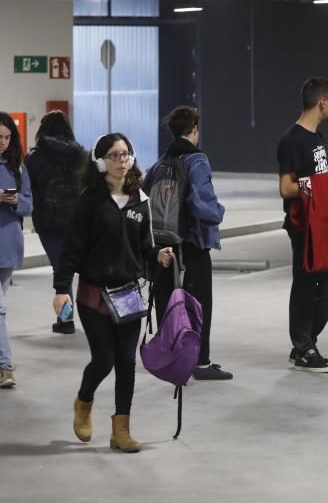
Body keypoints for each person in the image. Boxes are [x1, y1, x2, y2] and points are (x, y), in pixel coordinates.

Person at [53, 133, 173, 452]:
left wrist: (157, 256)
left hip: (128, 292)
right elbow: (72, 248)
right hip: (93, 294)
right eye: (115, 155)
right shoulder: (90, 200)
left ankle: (121, 430)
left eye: (126, 155)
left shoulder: (140, 200)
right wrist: (61, 289)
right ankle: (84, 400)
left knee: (126, 363)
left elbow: (144, 246)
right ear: (100, 161)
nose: (122, 161)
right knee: (103, 360)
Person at [145, 106, 231, 381]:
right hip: (192, 246)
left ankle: (172, 359)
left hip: (164, 248)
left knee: (168, 303)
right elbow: (202, 203)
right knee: (199, 304)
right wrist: (219, 212)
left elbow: (145, 198)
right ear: (194, 129)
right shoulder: (197, 160)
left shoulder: (160, 163)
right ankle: (200, 363)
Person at [277, 78, 328, 373]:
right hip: (304, 224)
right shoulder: (292, 140)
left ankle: (305, 343)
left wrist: (325, 188)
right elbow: (285, 187)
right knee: (306, 285)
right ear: (321, 102)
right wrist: (327, 184)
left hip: (324, 220)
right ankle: (303, 346)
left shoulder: (317, 137)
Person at [24, 111, 87, 335]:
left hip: (48, 222)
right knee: (85, 269)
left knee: (61, 268)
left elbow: (27, 189)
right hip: (78, 221)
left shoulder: (35, 157)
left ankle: (66, 319)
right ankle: (96, 317)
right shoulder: (80, 155)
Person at [0, 112, 32, 389]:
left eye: (7, 137)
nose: (2, 142)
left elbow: (29, 205)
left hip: (9, 243)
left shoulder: (18, 167)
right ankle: (5, 365)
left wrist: (13, 200)